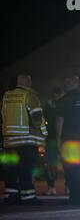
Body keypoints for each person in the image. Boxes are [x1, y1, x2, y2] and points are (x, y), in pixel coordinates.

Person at [1, 74, 47, 205]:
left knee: (11, 169)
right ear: (26, 81)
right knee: (26, 169)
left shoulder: (6, 96)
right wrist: (42, 132)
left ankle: (11, 196)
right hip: (26, 140)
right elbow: (37, 118)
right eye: (29, 79)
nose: (31, 81)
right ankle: (28, 197)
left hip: (9, 141)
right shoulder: (29, 96)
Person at [56, 76, 80, 205]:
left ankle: (75, 197)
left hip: (69, 140)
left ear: (68, 84)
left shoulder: (64, 100)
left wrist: (58, 139)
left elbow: (60, 120)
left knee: (71, 169)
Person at [43, 87, 64, 195]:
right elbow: (44, 119)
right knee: (50, 163)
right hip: (54, 138)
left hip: (59, 138)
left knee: (65, 164)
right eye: (55, 95)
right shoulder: (51, 105)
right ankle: (51, 186)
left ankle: (65, 187)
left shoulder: (61, 104)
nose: (57, 97)